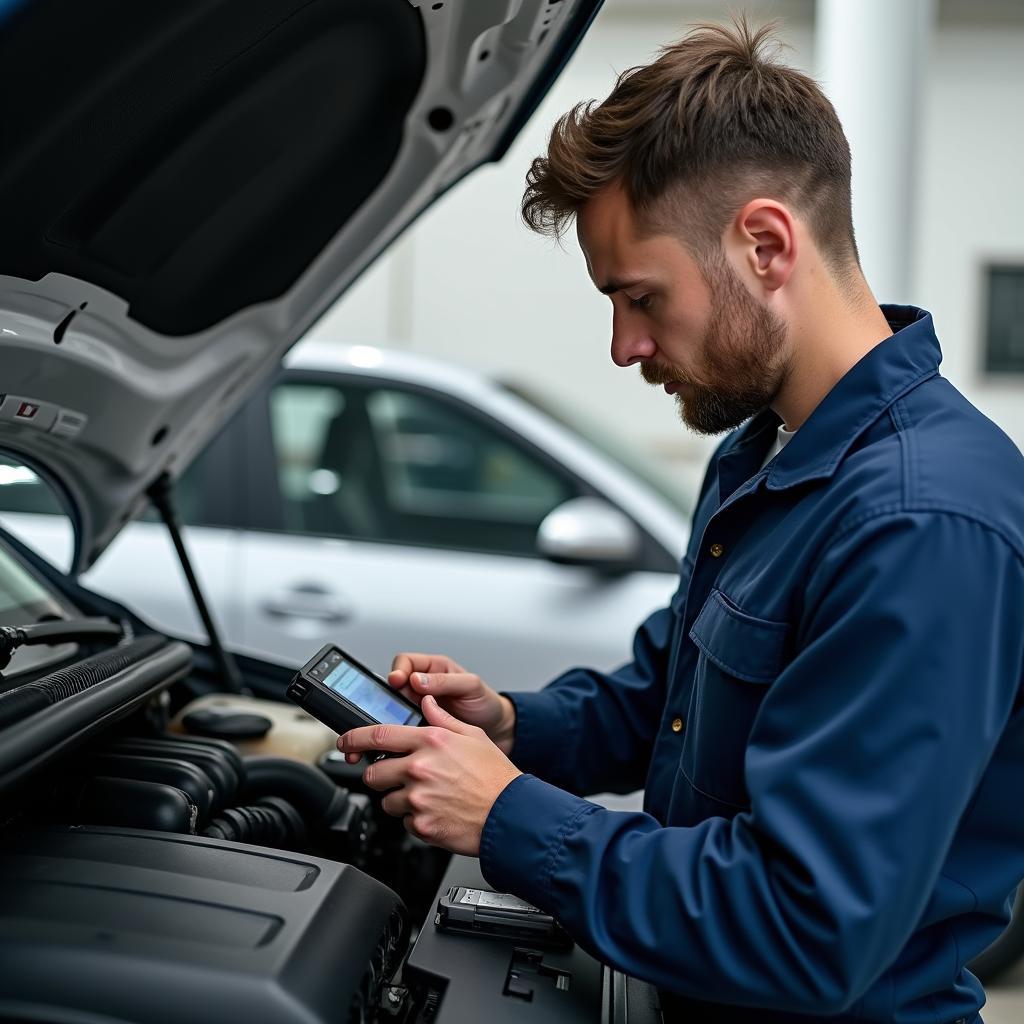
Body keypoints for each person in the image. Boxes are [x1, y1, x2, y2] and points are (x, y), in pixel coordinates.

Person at [338, 17, 1024, 1023]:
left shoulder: (922, 523)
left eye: (640, 297)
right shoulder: (762, 452)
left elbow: (805, 925)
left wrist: (508, 814)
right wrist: (513, 727)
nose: (623, 345)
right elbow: (661, 706)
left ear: (764, 243)